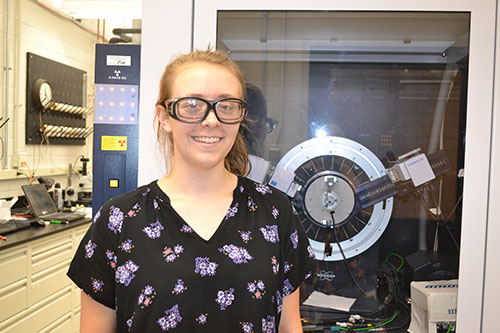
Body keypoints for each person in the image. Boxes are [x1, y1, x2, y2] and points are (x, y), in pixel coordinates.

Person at [67, 48, 315, 333]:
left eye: (226, 105)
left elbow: (289, 326)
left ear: (240, 116)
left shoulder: (275, 213)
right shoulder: (119, 220)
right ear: (164, 116)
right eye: (192, 105)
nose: (211, 120)